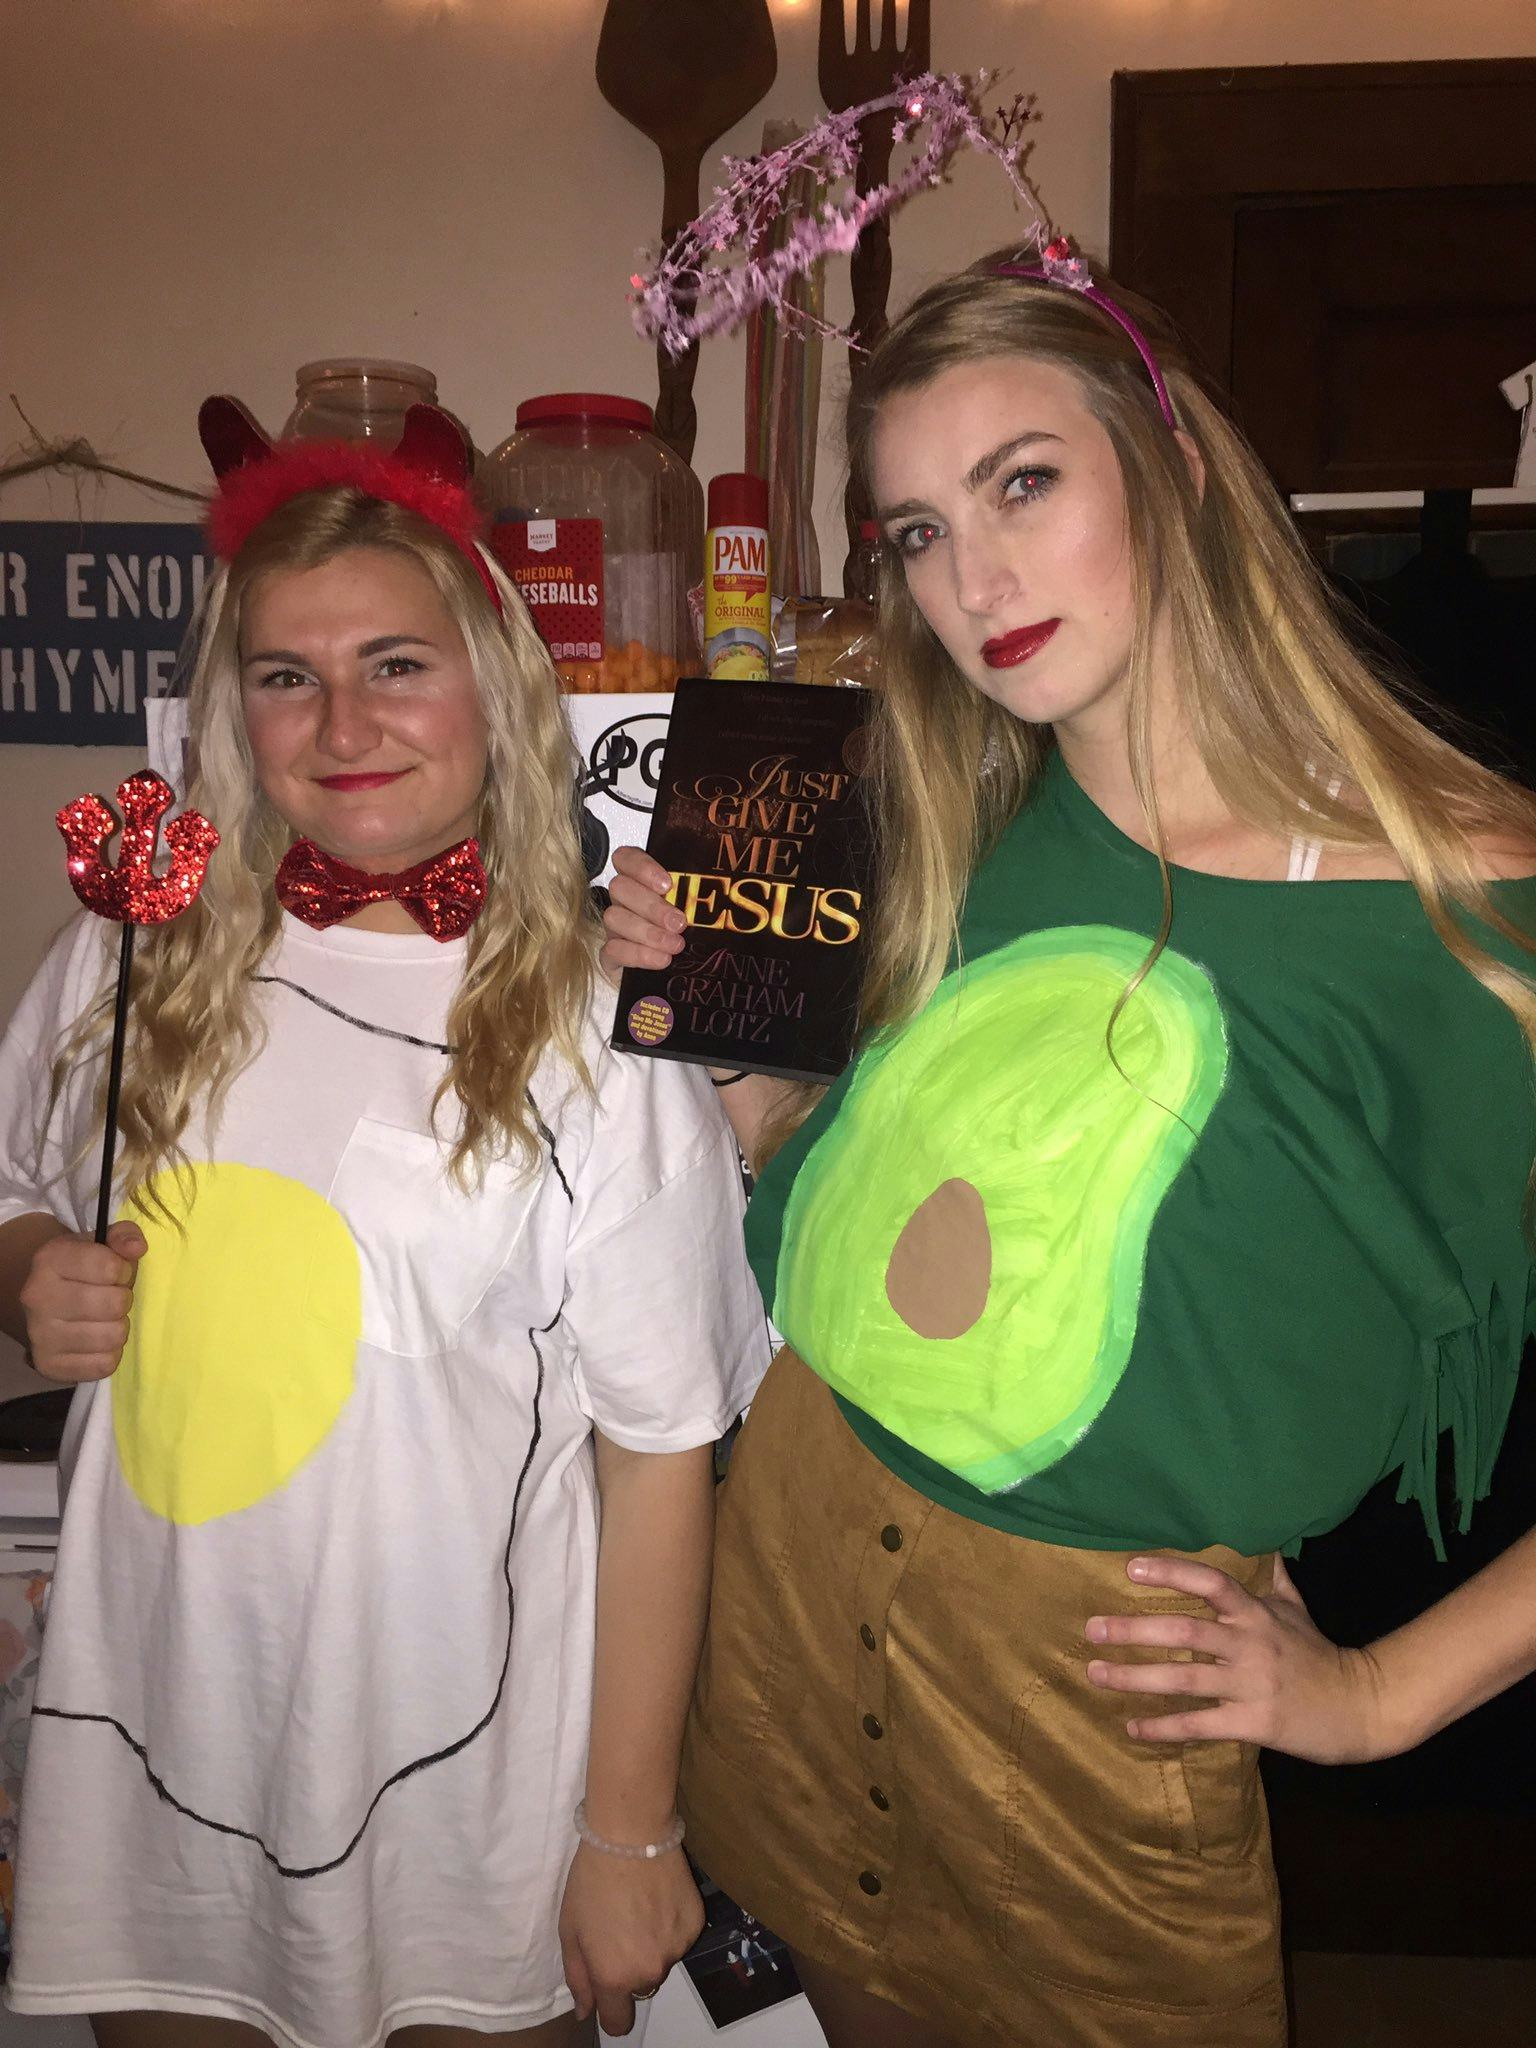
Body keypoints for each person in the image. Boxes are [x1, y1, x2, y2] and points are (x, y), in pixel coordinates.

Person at [600, 247, 1536, 2048]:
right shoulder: (951, 819)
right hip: (782, 1600)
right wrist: (726, 1044)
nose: (973, 582)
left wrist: (1381, 1698)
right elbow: (863, 1199)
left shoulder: (1466, 902)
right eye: (918, 532)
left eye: (1022, 483)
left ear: (1171, 463)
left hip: (1089, 1718)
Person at [0, 407, 768, 2048]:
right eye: (288, 675)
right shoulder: (128, 958)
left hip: (463, 1817)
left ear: (492, 682)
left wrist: (631, 1833)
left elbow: (660, 1452)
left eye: (396, 665)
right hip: (151, 1782)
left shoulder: (595, 1028)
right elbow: (11, 1194)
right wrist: (22, 1278)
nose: (342, 722)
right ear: (237, 707)